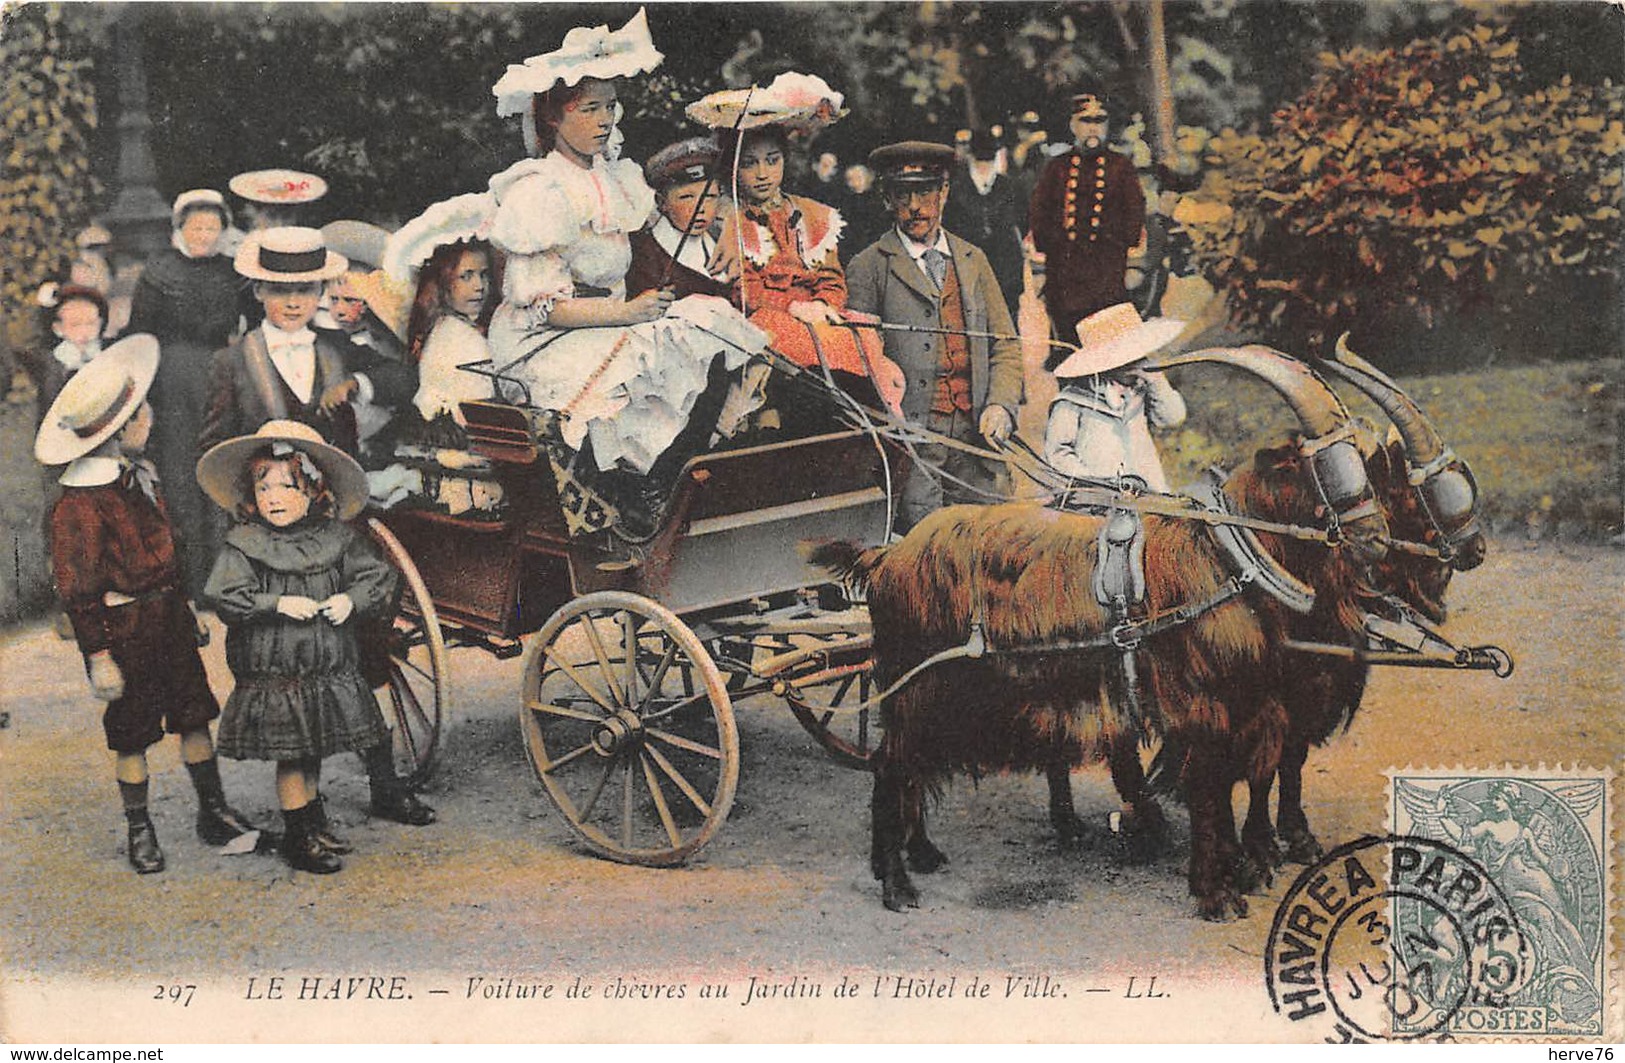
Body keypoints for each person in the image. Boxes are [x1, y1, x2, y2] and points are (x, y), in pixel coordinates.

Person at [485, 9, 767, 539]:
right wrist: (628, 313)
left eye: (611, 106)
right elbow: (545, 307)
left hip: (612, 321)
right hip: (544, 338)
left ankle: (670, 473)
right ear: (552, 117)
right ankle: (640, 486)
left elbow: (681, 211)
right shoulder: (540, 190)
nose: (605, 120)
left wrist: (727, 220)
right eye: (589, 108)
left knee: (711, 321)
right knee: (645, 358)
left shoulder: (616, 177)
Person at [34, 336, 259, 874]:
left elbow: (168, 550)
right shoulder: (78, 505)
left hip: (166, 618)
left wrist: (188, 606)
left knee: (193, 714)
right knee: (131, 731)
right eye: (141, 415)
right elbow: (78, 589)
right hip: (124, 629)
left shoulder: (140, 478)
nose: (150, 420)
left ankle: (213, 809)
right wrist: (98, 656)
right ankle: (140, 827)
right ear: (122, 429)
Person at [198, 420, 402, 874]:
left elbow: (376, 577)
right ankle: (297, 836)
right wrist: (276, 603)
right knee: (292, 755)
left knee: (311, 750)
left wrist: (350, 599)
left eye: (288, 486)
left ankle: (311, 821)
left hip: (325, 669)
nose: (274, 497)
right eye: (263, 486)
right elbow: (227, 596)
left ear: (313, 491)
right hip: (278, 673)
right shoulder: (245, 545)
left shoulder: (335, 538)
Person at [690, 72, 905, 433]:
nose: (763, 173)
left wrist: (823, 304)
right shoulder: (728, 220)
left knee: (860, 335)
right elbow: (744, 288)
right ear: (733, 167)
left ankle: (860, 430)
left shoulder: (811, 213)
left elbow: (830, 276)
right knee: (793, 345)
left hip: (815, 315)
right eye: (750, 164)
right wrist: (792, 307)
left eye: (772, 160)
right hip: (765, 317)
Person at [846, 141, 1026, 532]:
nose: (915, 206)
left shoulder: (973, 260)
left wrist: (1000, 406)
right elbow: (859, 363)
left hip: (976, 441)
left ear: (944, 192)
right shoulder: (868, 267)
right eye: (902, 194)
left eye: (926, 191)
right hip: (912, 450)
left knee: (991, 544)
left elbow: (1005, 345)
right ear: (886, 199)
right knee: (927, 554)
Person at [198, 226, 416, 462]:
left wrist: (355, 383)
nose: (293, 303)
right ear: (259, 291)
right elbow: (214, 450)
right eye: (280, 291)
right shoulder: (231, 360)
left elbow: (405, 378)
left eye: (305, 290)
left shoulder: (335, 345)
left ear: (320, 291)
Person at [123, 189, 247, 597]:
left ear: (224, 230)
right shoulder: (158, 272)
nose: (204, 235)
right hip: (172, 380)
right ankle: (188, 583)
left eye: (213, 227)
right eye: (197, 226)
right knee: (179, 474)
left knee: (221, 467)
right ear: (180, 228)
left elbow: (257, 319)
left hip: (221, 375)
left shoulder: (233, 272)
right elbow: (139, 333)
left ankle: (222, 581)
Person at [1029, 90, 1146, 370]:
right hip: (1065, 278)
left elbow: (1134, 217)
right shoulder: (1056, 168)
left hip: (1105, 276)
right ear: (1072, 125)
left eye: (1099, 120)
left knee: (1109, 355)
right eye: (1085, 121)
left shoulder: (1121, 167)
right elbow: (1039, 214)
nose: (1092, 127)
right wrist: (1054, 249)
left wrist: (1117, 247)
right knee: (1069, 357)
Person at [1043, 302, 1186, 493]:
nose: (1135, 363)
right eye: (1126, 359)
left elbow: (1173, 418)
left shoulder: (1142, 389)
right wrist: (1090, 482)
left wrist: (1156, 381)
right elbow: (1058, 452)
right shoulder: (1073, 400)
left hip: (1149, 490)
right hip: (1098, 496)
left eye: (1138, 356)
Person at [945, 128, 1026, 319]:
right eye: (980, 161)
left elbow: (1022, 222)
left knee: (1007, 319)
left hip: (1006, 271)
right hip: (970, 269)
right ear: (971, 159)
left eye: (988, 161)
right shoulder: (957, 190)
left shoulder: (1009, 187)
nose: (984, 167)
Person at [20, 283, 107, 426]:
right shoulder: (53, 359)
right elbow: (27, 342)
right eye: (75, 324)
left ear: (100, 323)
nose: (84, 332)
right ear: (58, 328)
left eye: (91, 323)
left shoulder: (106, 352)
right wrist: (42, 307)